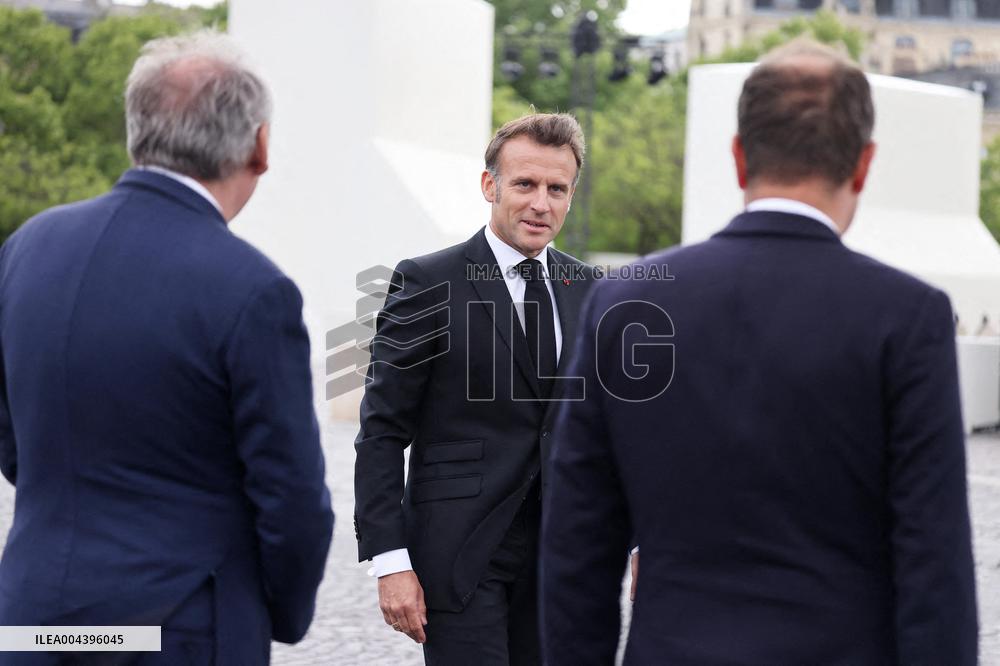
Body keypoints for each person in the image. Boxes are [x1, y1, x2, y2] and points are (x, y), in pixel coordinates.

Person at [540, 40, 978, 665]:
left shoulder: (624, 303)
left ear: (740, 157)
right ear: (863, 164)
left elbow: (577, 547)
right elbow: (935, 561)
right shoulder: (907, 317)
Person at [0, 32, 333, 665]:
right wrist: (277, 611)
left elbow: (10, 432)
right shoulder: (252, 288)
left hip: (34, 614)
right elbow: (290, 495)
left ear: (138, 129)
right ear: (259, 146)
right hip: (182, 625)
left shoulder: (28, 248)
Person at [354, 113, 598, 665]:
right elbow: (383, 430)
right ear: (490, 186)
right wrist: (390, 561)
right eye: (525, 184)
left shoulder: (589, 290)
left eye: (556, 189)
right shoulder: (426, 281)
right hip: (459, 556)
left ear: (571, 196)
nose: (541, 203)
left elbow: (606, 431)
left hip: (560, 561)